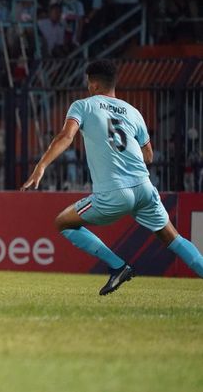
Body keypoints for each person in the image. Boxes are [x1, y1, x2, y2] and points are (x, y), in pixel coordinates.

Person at [21, 60, 203, 295]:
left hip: (114, 192)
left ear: (94, 84)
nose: (87, 87)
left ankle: (118, 266)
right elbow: (148, 155)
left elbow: (66, 137)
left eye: (88, 82)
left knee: (63, 223)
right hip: (145, 188)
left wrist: (41, 166)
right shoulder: (133, 112)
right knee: (173, 238)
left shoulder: (83, 106)